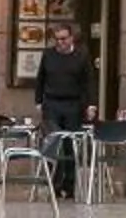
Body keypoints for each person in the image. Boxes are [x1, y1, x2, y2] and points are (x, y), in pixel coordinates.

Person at [32, 26, 96, 193]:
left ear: (71, 38)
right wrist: (38, 101)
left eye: (63, 39)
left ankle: (69, 184)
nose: (60, 43)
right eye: (57, 39)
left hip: (73, 104)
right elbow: (40, 78)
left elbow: (89, 81)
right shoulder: (48, 54)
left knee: (70, 144)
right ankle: (54, 183)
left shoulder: (81, 55)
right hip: (52, 103)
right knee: (52, 142)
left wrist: (91, 104)